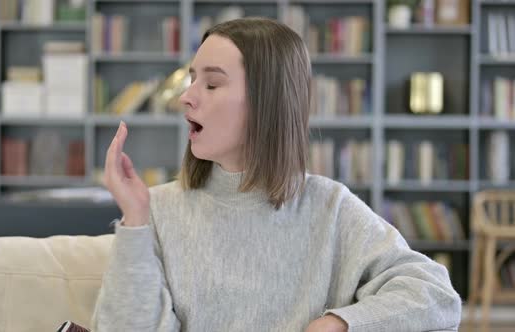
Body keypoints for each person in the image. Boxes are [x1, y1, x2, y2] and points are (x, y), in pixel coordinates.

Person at [91, 17, 461, 332]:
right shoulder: (155, 209)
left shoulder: (331, 208)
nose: (186, 97)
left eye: (212, 83)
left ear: (267, 101)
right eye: (191, 80)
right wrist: (135, 224)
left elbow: (437, 296)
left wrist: (340, 324)